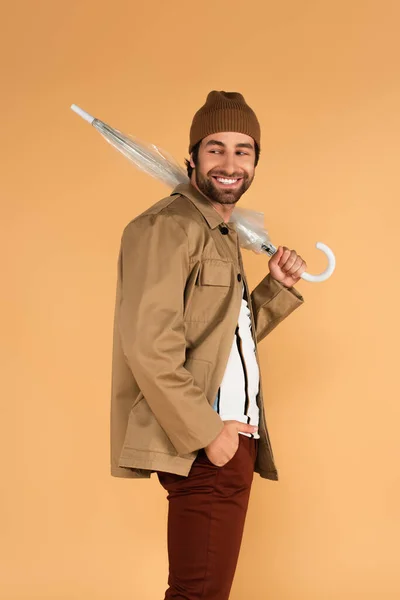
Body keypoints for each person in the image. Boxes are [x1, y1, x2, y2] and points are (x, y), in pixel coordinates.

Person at [110, 91, 307, 600]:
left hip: (231, 441)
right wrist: (209, 435)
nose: (229, 162)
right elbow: (148, 346)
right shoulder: (166, 228)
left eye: (243, 150)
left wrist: (275, 290)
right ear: (192, 157)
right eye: (215, 148)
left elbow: (217, 340)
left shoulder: (221, 231)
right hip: (203, 443)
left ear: (256, 162)